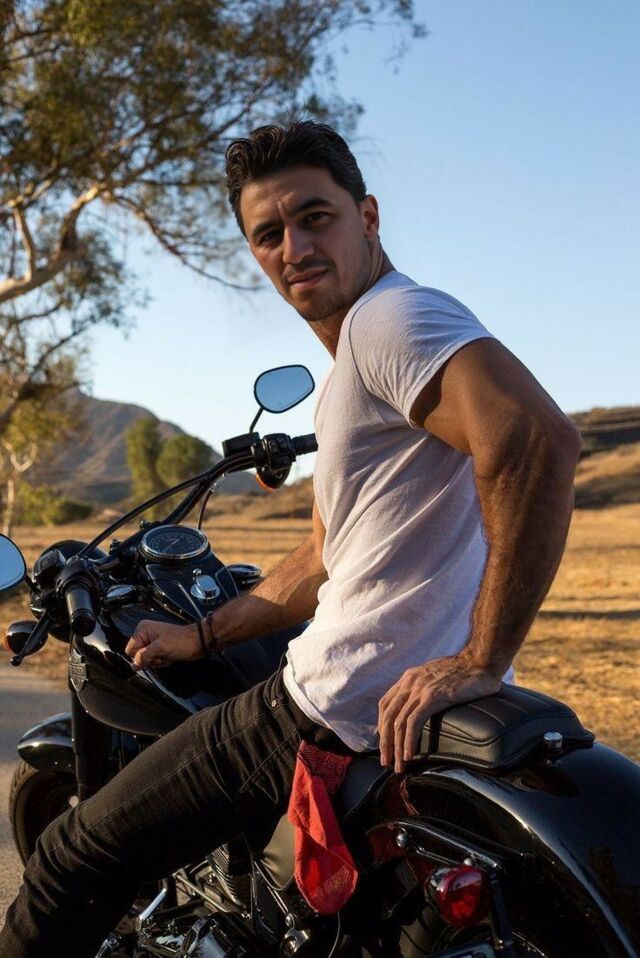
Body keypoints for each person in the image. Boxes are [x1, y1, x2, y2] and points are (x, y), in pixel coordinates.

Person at [0, 121, 581, 956]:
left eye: (315, 218)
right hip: (396, 711)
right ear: (253, 252)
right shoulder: (356, 362)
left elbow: (534, 439)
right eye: (268, 234)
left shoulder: (392, 319)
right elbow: (323, 558)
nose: (294, 248)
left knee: (70, 860)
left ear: (367, 216)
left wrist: (480, 658)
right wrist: (202, 633)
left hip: (331, 704)